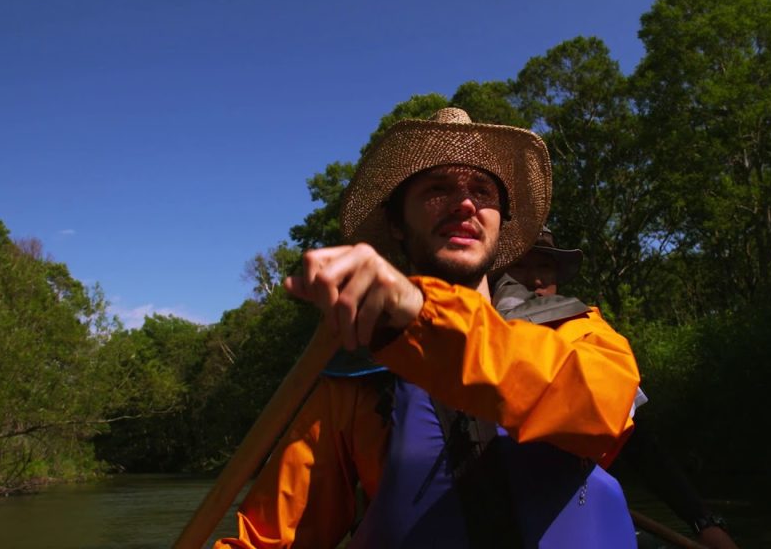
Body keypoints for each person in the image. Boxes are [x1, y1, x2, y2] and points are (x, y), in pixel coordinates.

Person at [215, 108, 642, 548]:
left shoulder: (574, 329)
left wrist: (420, 312)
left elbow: (602, 411)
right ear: (397, 224)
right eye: (438, 188)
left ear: (500, 222)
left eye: (482, 190)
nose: (465, 203)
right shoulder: (350, 383)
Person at [495, 228, 740, 549]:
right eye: (521, 267)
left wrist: (703, 521)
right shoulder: (479, 332)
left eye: (543, 267)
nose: (535, 280)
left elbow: (639, 443)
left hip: (565, 504)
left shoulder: (583, 337)